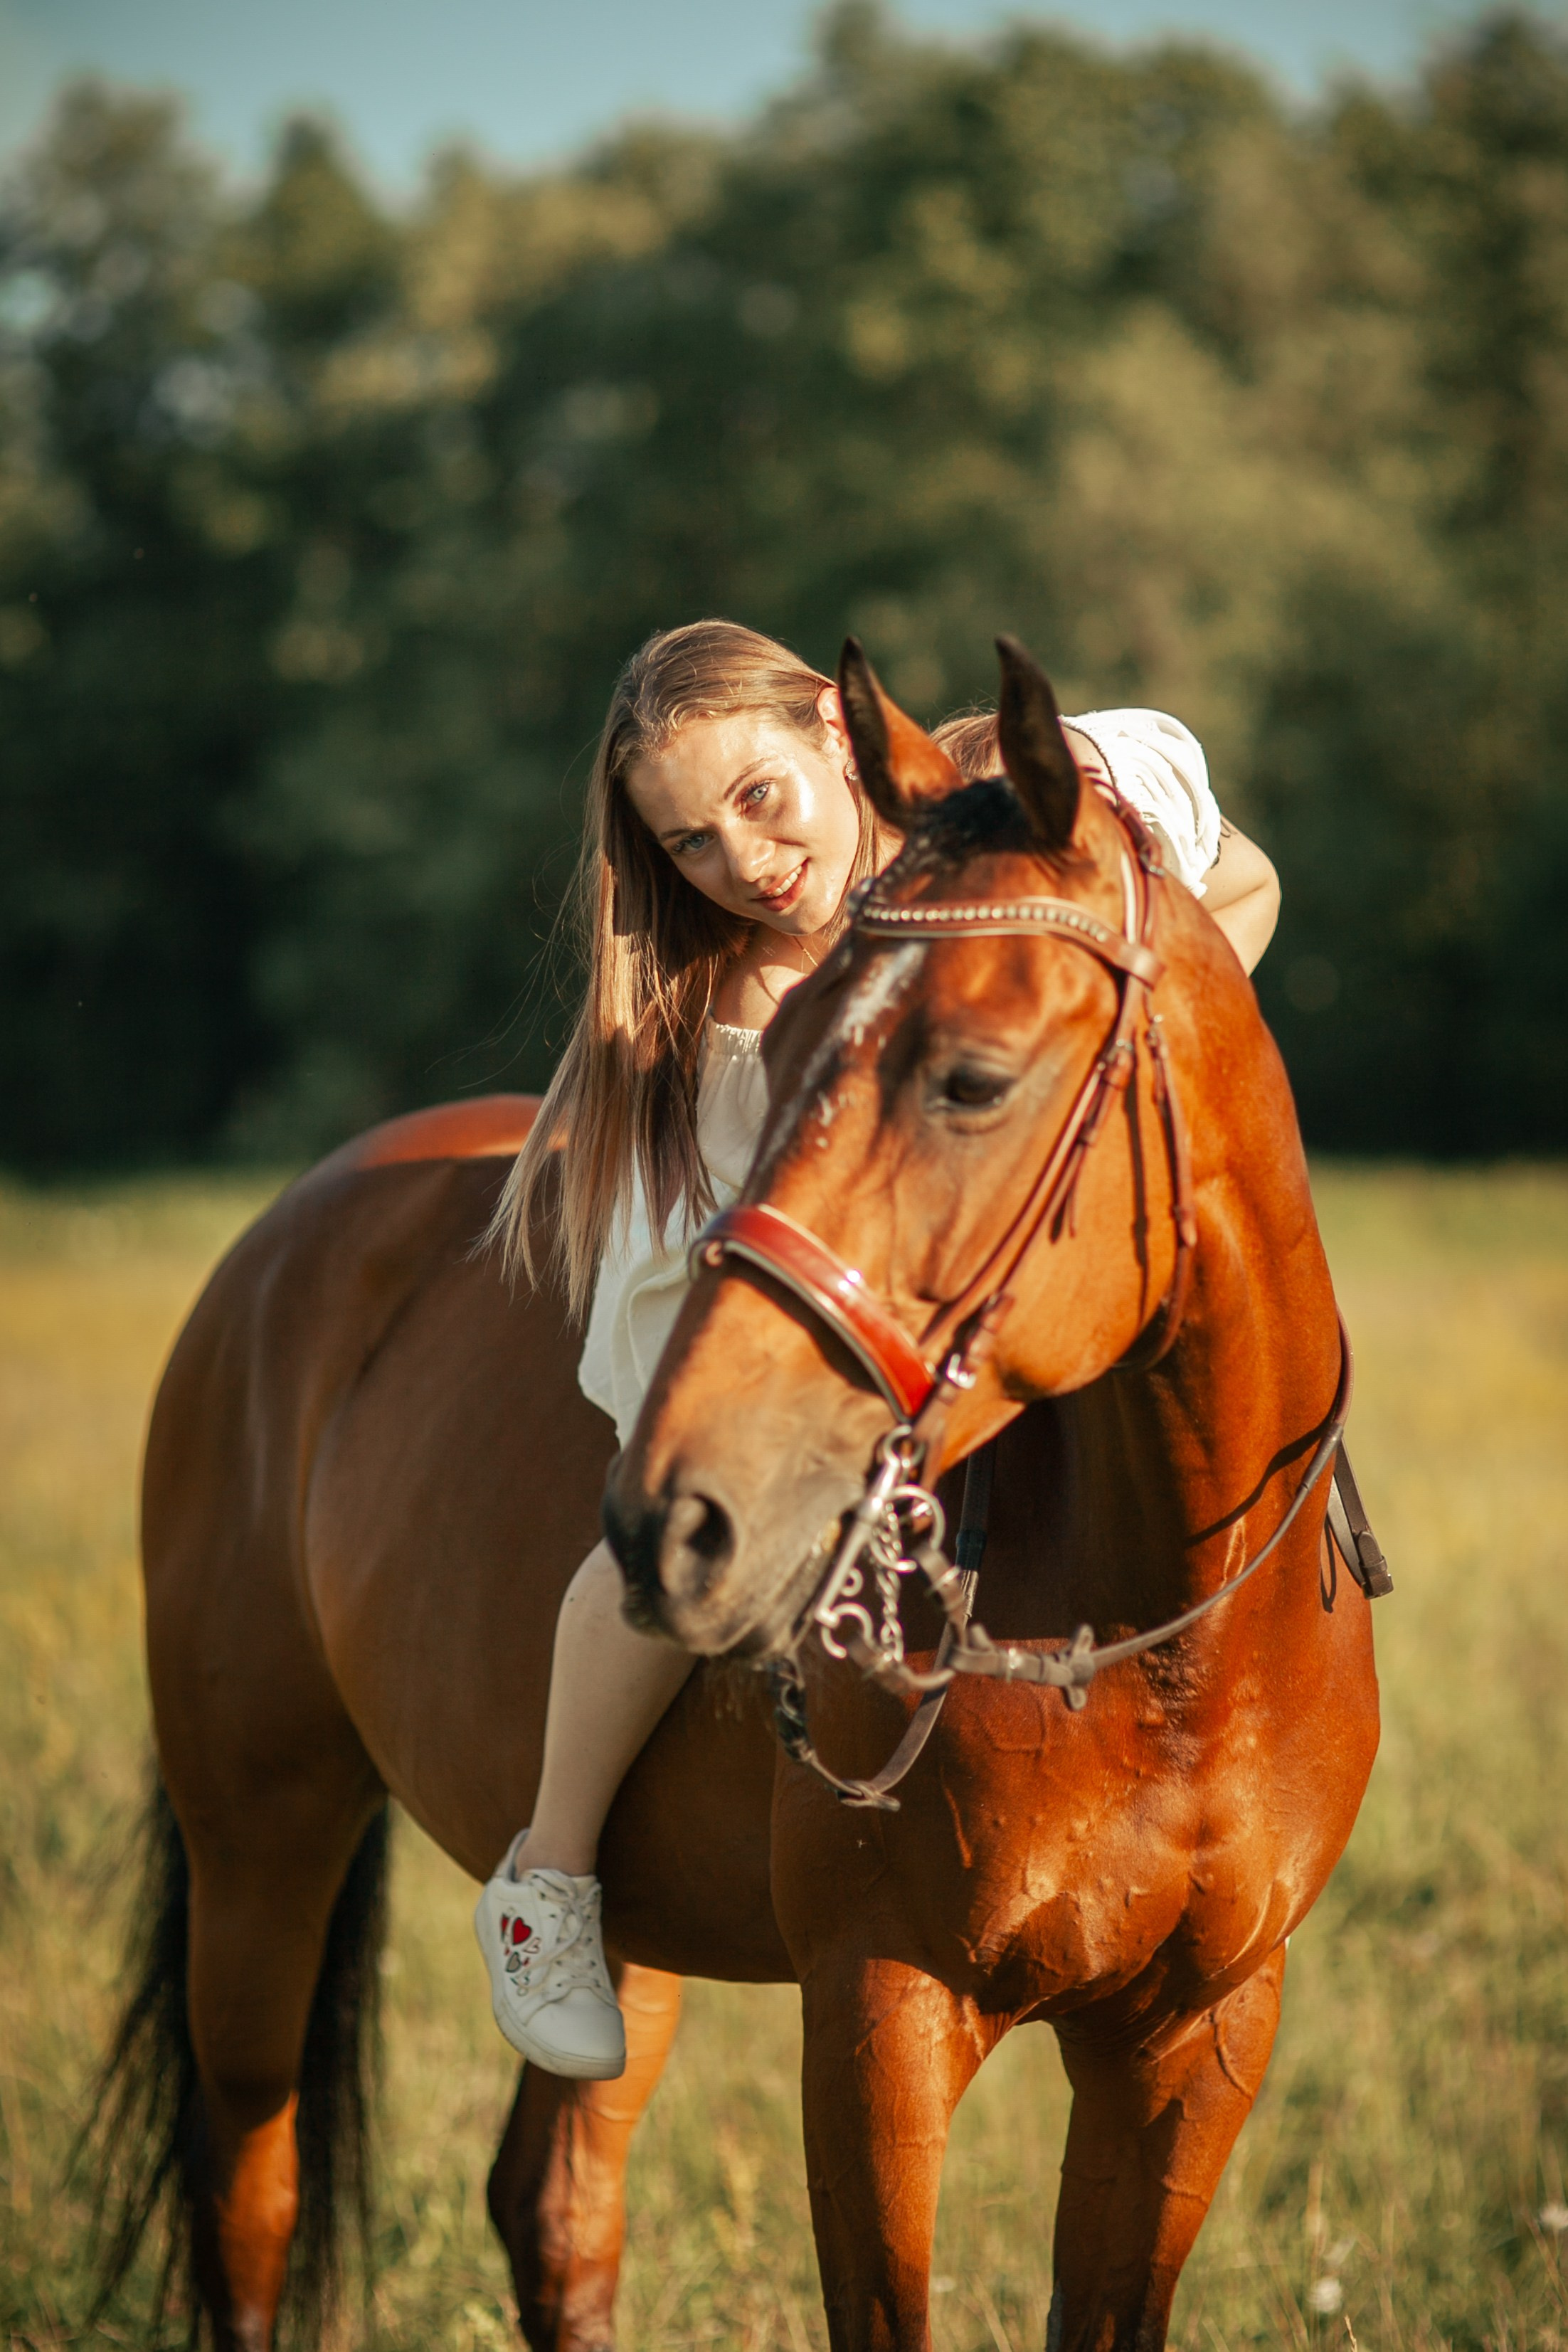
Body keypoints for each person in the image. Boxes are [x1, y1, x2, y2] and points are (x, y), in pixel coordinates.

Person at [475, 621, 1281, 2080]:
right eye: (689, 844)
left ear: (838, 743)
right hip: (775, 1269)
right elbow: (825, 1250)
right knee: (663, 1541)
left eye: (760, 799)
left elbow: (1230, 872)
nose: (739, 859)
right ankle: (550, 1875)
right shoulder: (744, 1012)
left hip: (1001, 1233)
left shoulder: (979, 838)